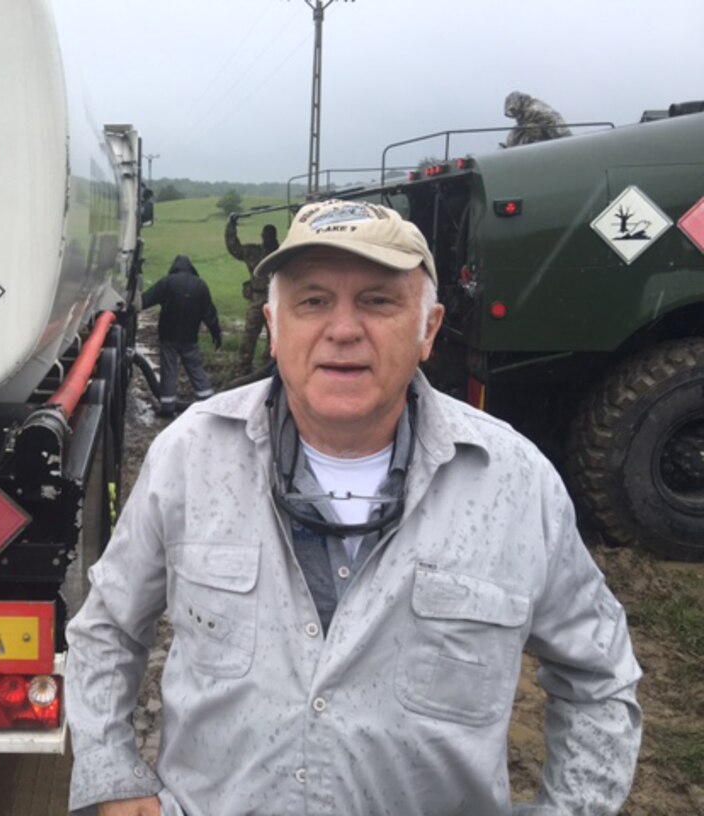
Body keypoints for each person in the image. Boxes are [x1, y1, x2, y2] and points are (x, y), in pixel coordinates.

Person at [66, 198, 642, 816]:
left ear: (429, 329)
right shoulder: (189, 457)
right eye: (313, 301)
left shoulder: (515, 484)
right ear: (274, 323)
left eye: (378, 300)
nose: (342, 329)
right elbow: (107, 630)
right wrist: (112, 773)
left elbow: (600, 677)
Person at [140, 255, 222, 418]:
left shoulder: (167, 282)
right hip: (190, 337)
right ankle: (207, 402)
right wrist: (216, 333)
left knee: (169, 370)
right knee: (195, 368)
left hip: (168, 336)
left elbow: (145, 301)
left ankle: (167, 407)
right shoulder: (201, 285)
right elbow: (210, 313)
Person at [225, 214, 279, 375]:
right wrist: (231, 226)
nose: (266, 238)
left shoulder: (282, 253)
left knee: (274, 337)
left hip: (275, 298)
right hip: (258, 297)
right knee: (250, 336)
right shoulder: (254, 252)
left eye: (268, 236)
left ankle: (268, 368)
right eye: (265, 235)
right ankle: (244, 369)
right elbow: (234, 247)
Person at [503, 90, 572, 147]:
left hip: (557, 137)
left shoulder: (531, 110)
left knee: (520, 132)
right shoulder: (530, 106)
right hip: (558, 137)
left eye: (513, 109)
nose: (513, 112)